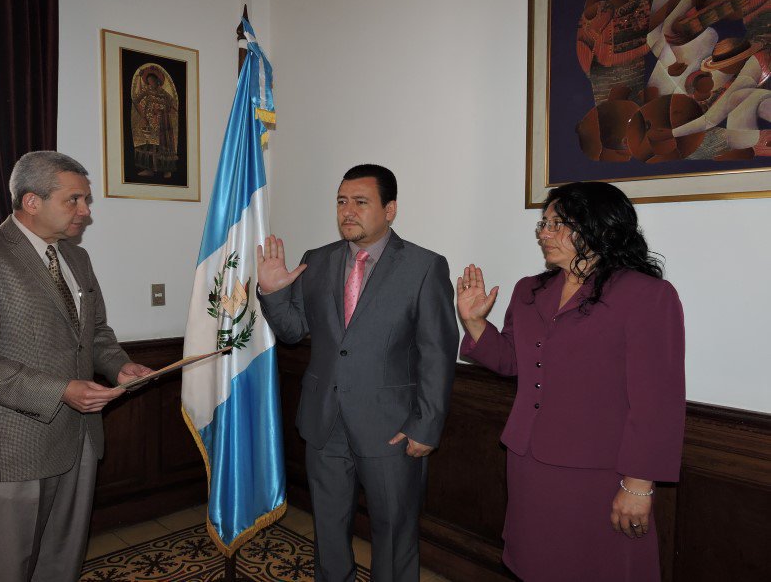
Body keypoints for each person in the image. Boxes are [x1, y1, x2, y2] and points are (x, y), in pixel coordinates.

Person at [0, 151, 152, 582]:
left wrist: (120, 366)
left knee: (60, 563)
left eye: (86, 201)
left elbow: (96, 334)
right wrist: (60, 391)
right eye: (74, 200)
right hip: (10, 450)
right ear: (31, 201)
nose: (86, 212)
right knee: (4, 569)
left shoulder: (76, 259)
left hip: (79, 442)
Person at [457, 181, 685, 582]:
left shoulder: (647, 295)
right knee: (535, 565)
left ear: (599, 226)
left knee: (600, 569)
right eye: (542, 225)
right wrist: (475, 323)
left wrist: (638, 483)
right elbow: (513, 361)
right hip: (529, 462)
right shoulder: (529, 291)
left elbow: (658, 401)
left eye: (557, 224)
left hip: (601, 472)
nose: (544, 234)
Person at [256, 164, 458, 582]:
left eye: (360, 202)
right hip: (324, 421)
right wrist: (274, 293)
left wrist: (426, 425)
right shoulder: (317, 261)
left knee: (394, 534)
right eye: (341, 201)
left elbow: (438, 351)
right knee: (328, 529)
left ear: (390, 209)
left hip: (392, 427)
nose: (347, 211)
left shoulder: (424, 267)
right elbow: (293, 332)